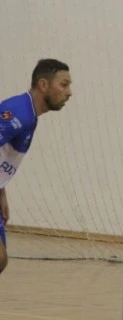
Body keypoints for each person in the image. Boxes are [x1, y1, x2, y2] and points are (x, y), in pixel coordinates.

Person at [0, 59, 72, 275]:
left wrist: (1, 190)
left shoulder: (30, 116)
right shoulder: (18, 113)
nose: (69, 93)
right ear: (43, 85)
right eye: (64, 84)